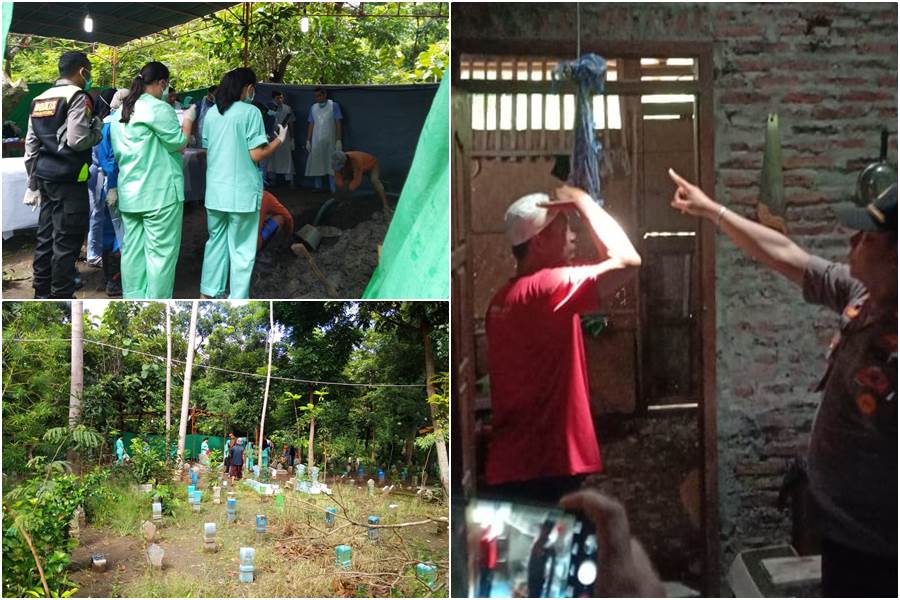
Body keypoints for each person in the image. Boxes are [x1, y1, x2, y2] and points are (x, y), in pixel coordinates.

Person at [668, 169, 897, 598]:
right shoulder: (861, 298)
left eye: (867, 238)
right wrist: (713, 210)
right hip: (842, 534)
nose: (851, 244)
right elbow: (784, 253)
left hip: (883, 555)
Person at [484, 185, 641, 504]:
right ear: (539, 241)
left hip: (513, 461)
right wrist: (585, 202)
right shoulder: (548, 287)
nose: (572, 235)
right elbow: (627, 260)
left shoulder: (502, 299)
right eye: (564, 228)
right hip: (548, 464)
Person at [109, 61, 195, 298]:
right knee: (161, 255)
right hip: (160, 195)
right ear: (162, 83)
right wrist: (188, 120)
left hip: (131, 195)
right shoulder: (159, 109)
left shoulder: (120, 113)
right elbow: (179, 144)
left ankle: (133, 297)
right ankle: (157, 301)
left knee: (133, 252)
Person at [200, 67, 288, 299]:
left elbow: (209, 152)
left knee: (215, 245)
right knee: (241, 250)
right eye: (253, 88)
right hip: (241, 195)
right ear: (248, 88)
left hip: (215, 194)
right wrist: (279, 140)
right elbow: (256, 154)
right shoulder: (250, 113)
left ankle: (207, 293)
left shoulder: (212, 114)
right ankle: (237, 298)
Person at [24, 50, 103, 298]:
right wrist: (97, 131)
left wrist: (33, 181)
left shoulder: (39, 99)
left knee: (45, 237)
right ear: (82, 71)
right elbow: (78, 139)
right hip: (70, 180)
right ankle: (61, 294)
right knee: (66, 242)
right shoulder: (78, 97)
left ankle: (41, 291)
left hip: (46, 180)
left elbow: (30, 147)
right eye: (88, 71)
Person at [305, 86, 343, 192]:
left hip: (331, 139)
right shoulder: (313, 108)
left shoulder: (334, 106)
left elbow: (338, 122)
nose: (317, 98)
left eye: (319, 95)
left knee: (331, 164)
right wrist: (308, 140)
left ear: (325, 95)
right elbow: (311, 124)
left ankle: (333, 188)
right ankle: (318, 187)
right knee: (317, 162)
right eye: (315, 96)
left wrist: (339, 139)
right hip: (316, 139)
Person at [266, 90, 296, 186]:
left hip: (284, 137)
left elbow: (291, 123)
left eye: (281, 98)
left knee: (287, 158)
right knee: (272, 158)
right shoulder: (269, 109)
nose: (280, 100)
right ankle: (272, 179)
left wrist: (292, 138)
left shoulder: (287, 109)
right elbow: (266, 123)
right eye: (277, 98)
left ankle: (290, 180)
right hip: (272, 137)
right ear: (273, 99)